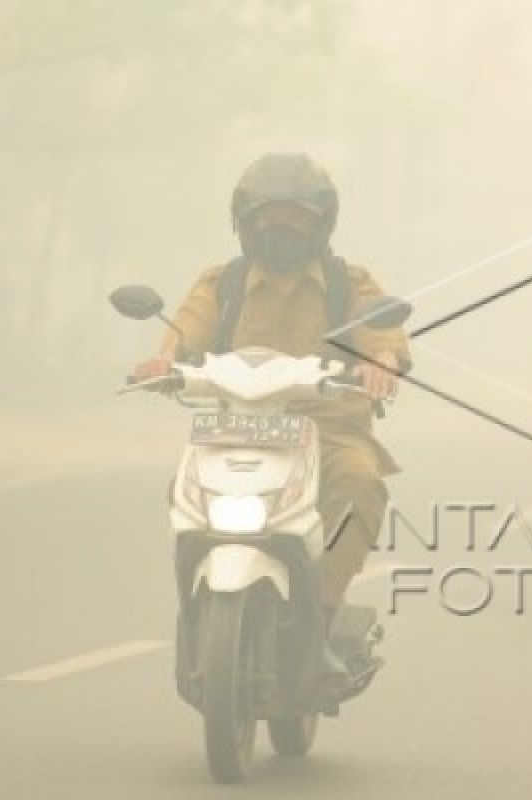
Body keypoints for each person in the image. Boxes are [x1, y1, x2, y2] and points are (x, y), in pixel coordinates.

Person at [132, 153, 410, 629]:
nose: (279, 231)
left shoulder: (351, 283)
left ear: (322, 224)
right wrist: (165, 362)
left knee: (361, 483)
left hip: (328, 431)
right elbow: (186, 332)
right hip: (235, 427)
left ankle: (323, 609)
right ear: (244, 223)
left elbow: (381, 337)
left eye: (294, 220)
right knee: (182, 492)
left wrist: (381, 363)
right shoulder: (222, 283)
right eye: (267, 219)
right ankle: (197, 602)